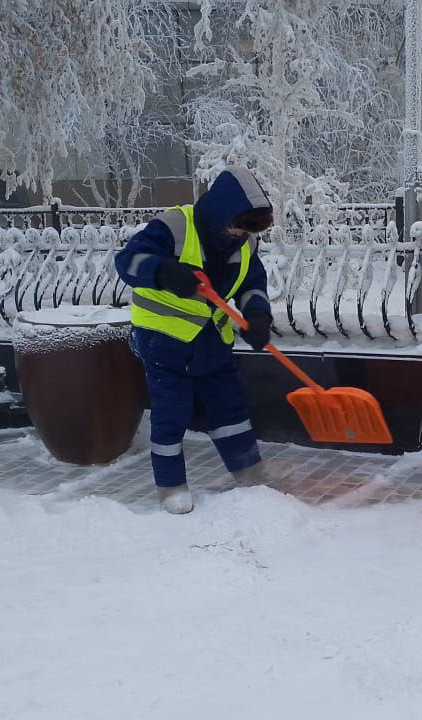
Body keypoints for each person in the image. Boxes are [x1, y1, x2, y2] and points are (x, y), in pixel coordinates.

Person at [114, 167, 275, 514]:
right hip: (163, 341)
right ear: (220, 212)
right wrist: (164, 272)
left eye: (249, 228)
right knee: (171, 413)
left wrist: (258, 315)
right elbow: (127, 262)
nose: (240, 234)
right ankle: (171, 486)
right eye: (237, 225)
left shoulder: (246, 244)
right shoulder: (174, 226)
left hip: (212, 340)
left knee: (230, 407)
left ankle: (248, 470)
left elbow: (252, 285)